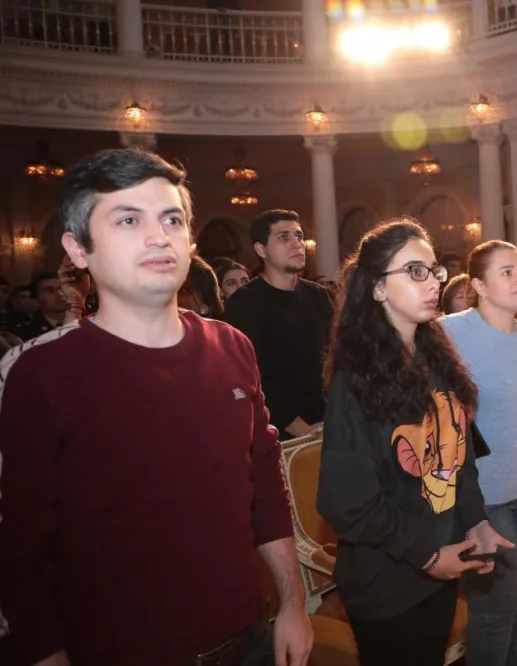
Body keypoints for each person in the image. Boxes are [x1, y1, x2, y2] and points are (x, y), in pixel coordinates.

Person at [0, 148, 312, 666]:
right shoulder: (42, 374)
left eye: (172, 219)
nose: (159, 236)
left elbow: (265, 484)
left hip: (250, 635)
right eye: (128, 220)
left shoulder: (232, 347)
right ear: (78, 249)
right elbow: (20, 548)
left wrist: (293, 604)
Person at [316, 219, 512, 666]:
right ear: (377, 288)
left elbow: (460, 457)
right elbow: (346, 501)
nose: (433, 282)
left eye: (434, 270)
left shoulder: (436, 359)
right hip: (388, 581)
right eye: (414, 271)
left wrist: (475, 521)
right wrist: (425, 555)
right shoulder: (356, 379)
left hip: (437, 568)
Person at [441, 240, 517, 666]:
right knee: (495, 612)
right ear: (478, 285)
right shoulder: (449, 332)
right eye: (507, 272)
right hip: (484, 496)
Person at [226, 210, 333, 439]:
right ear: (261, 249)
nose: (297, 244)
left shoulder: (319, 295)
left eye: (299, 236)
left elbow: (335, 358)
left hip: (329, 423)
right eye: (284, 237)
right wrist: (303, 431)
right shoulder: (243, 304)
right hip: (279, 435)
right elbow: (253, 378)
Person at [13, 273, 68, 341]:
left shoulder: (79, 322)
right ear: (35, 299)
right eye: (50, 291)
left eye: (62, 289)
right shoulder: (25, 333)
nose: (60, 294)